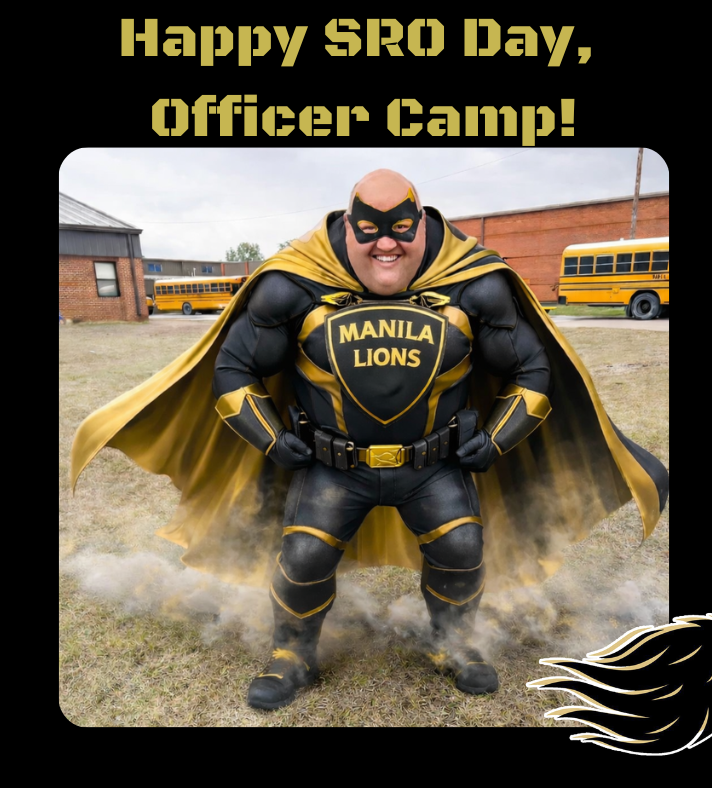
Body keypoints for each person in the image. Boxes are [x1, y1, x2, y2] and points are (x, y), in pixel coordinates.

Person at [71, 170, 669, 712]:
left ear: (423, 223)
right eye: (370, 230)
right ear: (348, 226)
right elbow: (232, 371)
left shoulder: (476, 285)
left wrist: (497, 439)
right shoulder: (293, 285)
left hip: (434, 465)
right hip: (333, 466)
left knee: (461, 548)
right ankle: (292, 654)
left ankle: (453, 643)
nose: (386, 244)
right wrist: (273, 439)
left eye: (401, 230)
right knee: (304, 556)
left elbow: (533, 373)